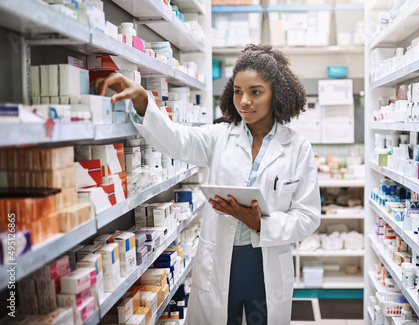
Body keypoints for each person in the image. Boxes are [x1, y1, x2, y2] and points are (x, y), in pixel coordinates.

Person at [92, 44, 321, 325]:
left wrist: (260, 223)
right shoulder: (220, 137)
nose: (244, 101)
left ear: (277, 94)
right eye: (238, 91)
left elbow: (308, 217)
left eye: (255, 92)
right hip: (221, 262)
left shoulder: (297, 148)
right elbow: (178, 140)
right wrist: (143, 102)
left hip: (266, 263)